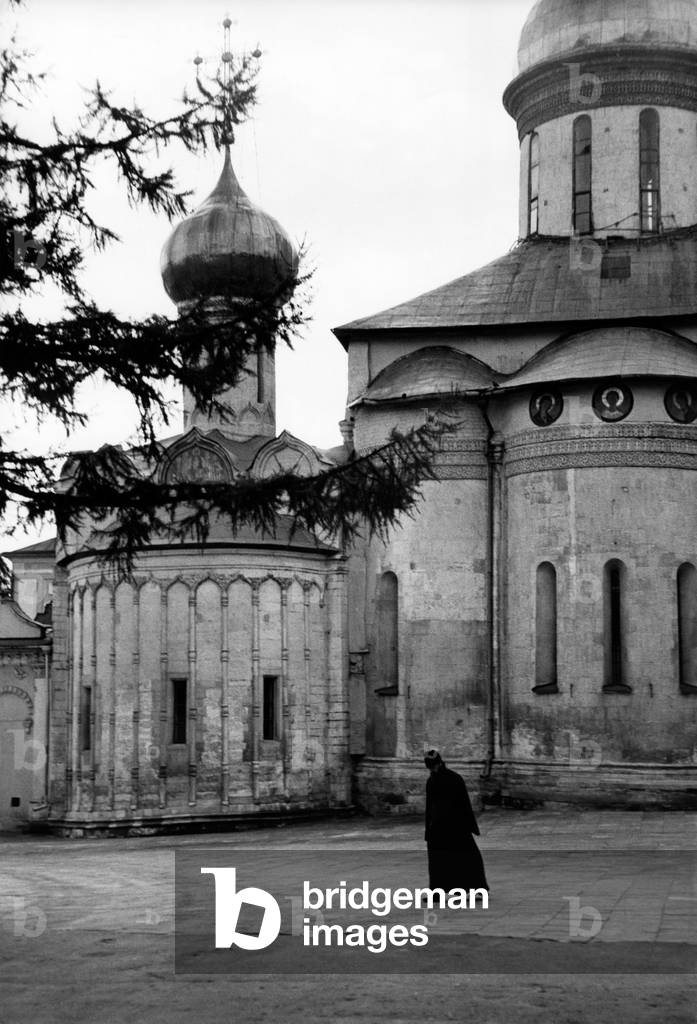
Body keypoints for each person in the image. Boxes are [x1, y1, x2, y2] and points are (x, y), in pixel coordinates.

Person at [424, 749, 488, 893]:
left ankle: (476, 888)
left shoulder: (454, 779)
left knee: (465, 858)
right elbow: (430, 807)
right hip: (437, 828)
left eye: (433, 766)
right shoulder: (431, 781)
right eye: (429, 767)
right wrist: (429, 829)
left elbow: (464, 804)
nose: (432, 769)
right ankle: (437, 891)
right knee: (438, 862)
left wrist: (468, 825)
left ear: (439, 763)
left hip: (456, 826)